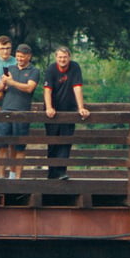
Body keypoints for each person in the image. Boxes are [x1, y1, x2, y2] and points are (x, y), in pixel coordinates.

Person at [42, 46, 90, 180]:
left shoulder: (74, 67)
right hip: (53, 110)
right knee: (53, 142)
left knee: (66, 141)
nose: (62, 60)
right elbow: (47, 90)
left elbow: (77, 87)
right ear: (56, 58)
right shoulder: (51, 69)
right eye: (60, 57)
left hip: (69, 109)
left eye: (65, 57)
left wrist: (81, 107)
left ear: (69, 57)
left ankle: (62, 171)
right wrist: (49, 107)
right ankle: (52, 174)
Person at [0, 43, 39, 180]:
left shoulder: (34, 71)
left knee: (19, 146)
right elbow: (0, 88)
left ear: (29, 56)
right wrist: (3, 83)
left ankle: (16, 176)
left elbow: (29, 88)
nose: (20, 59)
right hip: (6, 109)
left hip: (22, 111)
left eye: (22, 56)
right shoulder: (10, 68)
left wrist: (12, 82)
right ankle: (2, 175)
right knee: (2, 144)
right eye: (18, 56)